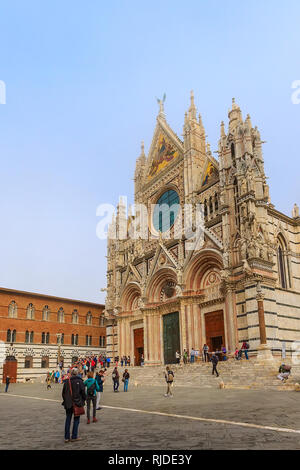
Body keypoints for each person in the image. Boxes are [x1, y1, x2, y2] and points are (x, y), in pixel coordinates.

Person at [62, 368, 86, 443]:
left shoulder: (66, 381)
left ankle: (66, 437)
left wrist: (66, 400)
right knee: (76, 420)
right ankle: (74, 436)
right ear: (77, 373)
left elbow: (63, 393)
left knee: (68, 419)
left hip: (68, 404)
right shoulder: (80, 381)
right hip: (77, 403)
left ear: (71, 373)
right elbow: (83, 393)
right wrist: (82, 401)